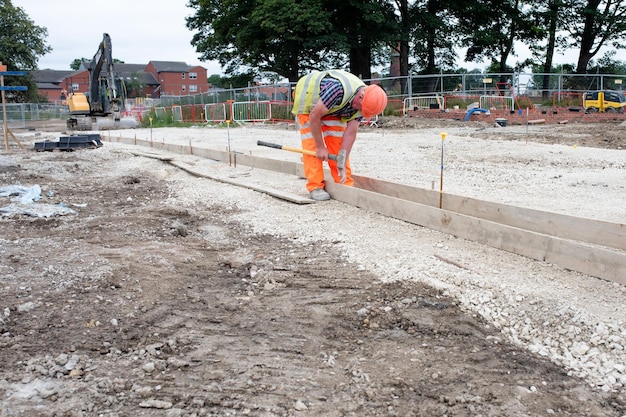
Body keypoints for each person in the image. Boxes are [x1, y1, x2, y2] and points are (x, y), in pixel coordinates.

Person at [291, 69, 388, 201]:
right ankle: (315, 186)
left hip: (333, 106)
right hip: (309, 102)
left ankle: (344, 182)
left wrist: (341, 161)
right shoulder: (337, 90)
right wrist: (320, 147)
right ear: (360, 97)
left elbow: (350, 133)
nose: (360, 111)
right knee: (312, 145)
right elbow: (315, 116)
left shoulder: (364, 103)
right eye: (361, 108)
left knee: (337, 141)